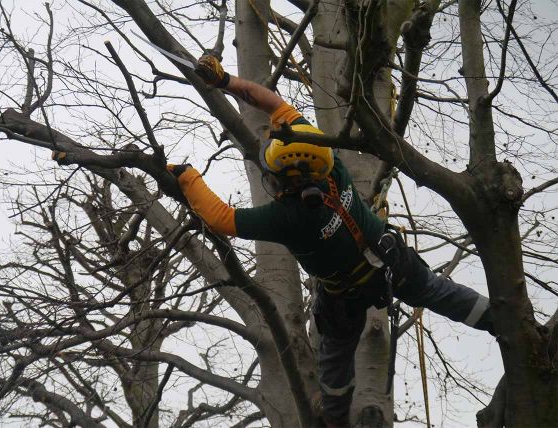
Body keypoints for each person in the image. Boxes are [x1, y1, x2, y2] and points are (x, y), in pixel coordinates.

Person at [166, 55, 494, 428]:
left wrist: (187, 176)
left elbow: (221, 218)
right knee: (439, 291)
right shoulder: (327, 159)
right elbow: (271, 101)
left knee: (335, 366)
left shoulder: (289, 216)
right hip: (390, 263)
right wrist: (225, 81)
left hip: (344, 297)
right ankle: (500, 319)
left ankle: (335, 420)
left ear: (283, 181)